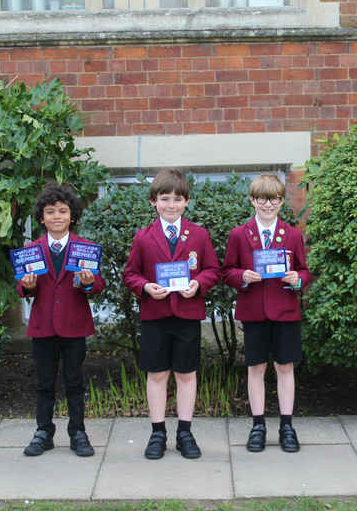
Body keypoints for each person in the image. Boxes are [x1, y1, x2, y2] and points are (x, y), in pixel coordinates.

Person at [123, 169, 219, 460]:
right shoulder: (143, 237)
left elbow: (212, 270)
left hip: (187, 314)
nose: (171, 205)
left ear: (187, 201)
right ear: (153, 201)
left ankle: (185, 433)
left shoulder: (199, 235)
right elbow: (130, 274)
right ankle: (157, 433)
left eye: (177, 199)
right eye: (165, 199)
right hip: (155, 315)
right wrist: (146, 287)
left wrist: (198, 284)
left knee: (186, 375)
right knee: (157, 374)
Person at [222, 174, 311, 453]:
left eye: (273, 199)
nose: (268, 204)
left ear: (281, 201)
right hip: (254, 311)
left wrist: (297, 279)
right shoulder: (239, 234)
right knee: (256, 368)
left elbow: (305, 271)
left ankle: (287, 425)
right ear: (252, 200)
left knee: (285, 367)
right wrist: (243, 276)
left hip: (285, 311)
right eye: (262, 199)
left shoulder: (293, 234)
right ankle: (258, 425)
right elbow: (227, 271)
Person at [17, 184, 105, 458]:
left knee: (75, 381)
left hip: (74, 326)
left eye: (63, 211)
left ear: (72, 216)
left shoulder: (85, 248)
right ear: (41, 218)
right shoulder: (31, 249)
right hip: (43, 327)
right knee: (44, 382)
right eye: (50, 211)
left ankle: (77, 431)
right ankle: (43, 431)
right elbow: (23, 289)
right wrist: (28, 285)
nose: (57, 216)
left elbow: (98, 285)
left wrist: (89, 283)